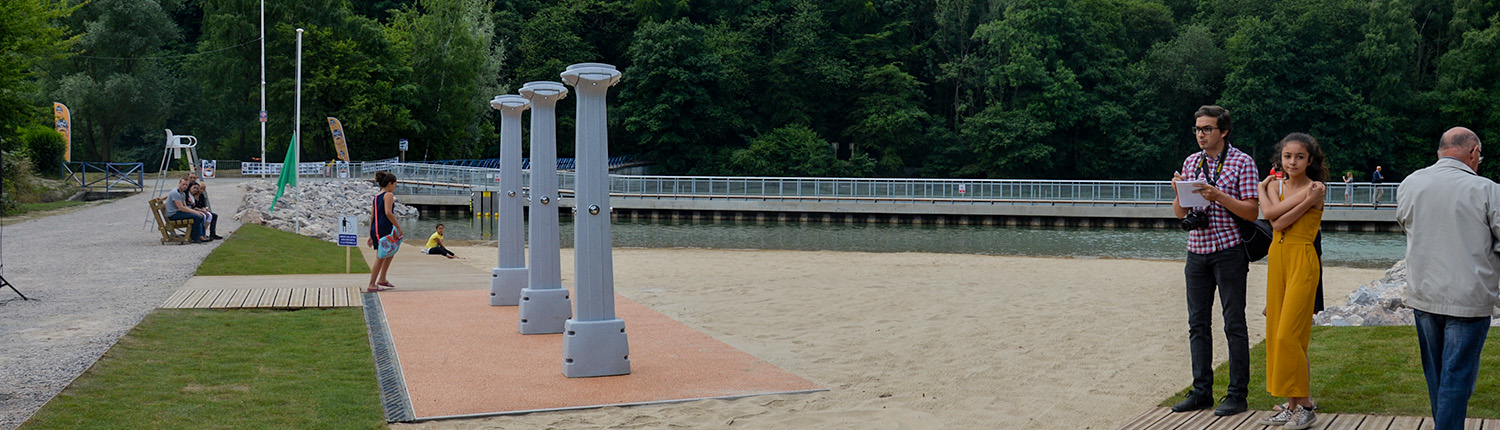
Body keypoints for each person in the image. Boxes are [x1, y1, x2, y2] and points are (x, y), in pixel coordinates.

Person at [1396, 127, 1497, 430]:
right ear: (1473, 152)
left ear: (1440, 152)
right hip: (1469, 294)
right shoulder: (1487, 189)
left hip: (1424, 291)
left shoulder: (1410, 183)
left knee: (1438, 374)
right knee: (1457, 375)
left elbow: (1405, 222)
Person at [1169, 105, 1259, 416]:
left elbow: (1251, 211)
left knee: (1234, 323)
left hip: (1229, 250)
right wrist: (1179, 194)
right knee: (1197, 324)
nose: (1200, 134)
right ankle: (1201, 392)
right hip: (1197, 250)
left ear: (1224, 131)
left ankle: (1237, 395)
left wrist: (1217, 195)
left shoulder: (1242, 162)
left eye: (1207, 129)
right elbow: (1180, 213)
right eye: (1197, 129)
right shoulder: (1191, 162)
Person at [1256, 133, 1327, 429]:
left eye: (1299, 156)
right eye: (1287, 156)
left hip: (1302, 259)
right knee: (1276, 334)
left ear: (1310, 160)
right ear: (1280, 158)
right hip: (1278, 259)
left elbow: (1276, 218)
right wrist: (1265, 190)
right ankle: (1292, 404)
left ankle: (1306, 405)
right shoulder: (1277, 185)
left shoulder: (1316, 188)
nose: (1292, 161)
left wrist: (1265, 191)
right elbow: (1273, 217)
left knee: (1289, 335)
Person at [367, 171, 403, 292]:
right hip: (383, 228)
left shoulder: (376, 197)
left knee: (390, 251)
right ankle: (372, 284)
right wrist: (397, 227)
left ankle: (382, 279)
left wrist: (370, 235)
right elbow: (388, 212)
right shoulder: (388, 195)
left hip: (376, 227)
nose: (395, 187)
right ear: (389, 184)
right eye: (394, 184)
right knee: (381, 256)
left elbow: (372, 216)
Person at [164, 177, 211, 243]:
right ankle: (194, 238)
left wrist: (196, 212)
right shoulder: (175, 193)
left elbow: (185, 206)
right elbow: (181, 208)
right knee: (197, 217)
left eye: (186, 185)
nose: (185, 186)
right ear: (179, 183)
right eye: (183, 184)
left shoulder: (182, 193)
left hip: (178, 212)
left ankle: (200, 235)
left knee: (201, 215)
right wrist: (195, 212)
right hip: (173, 214)